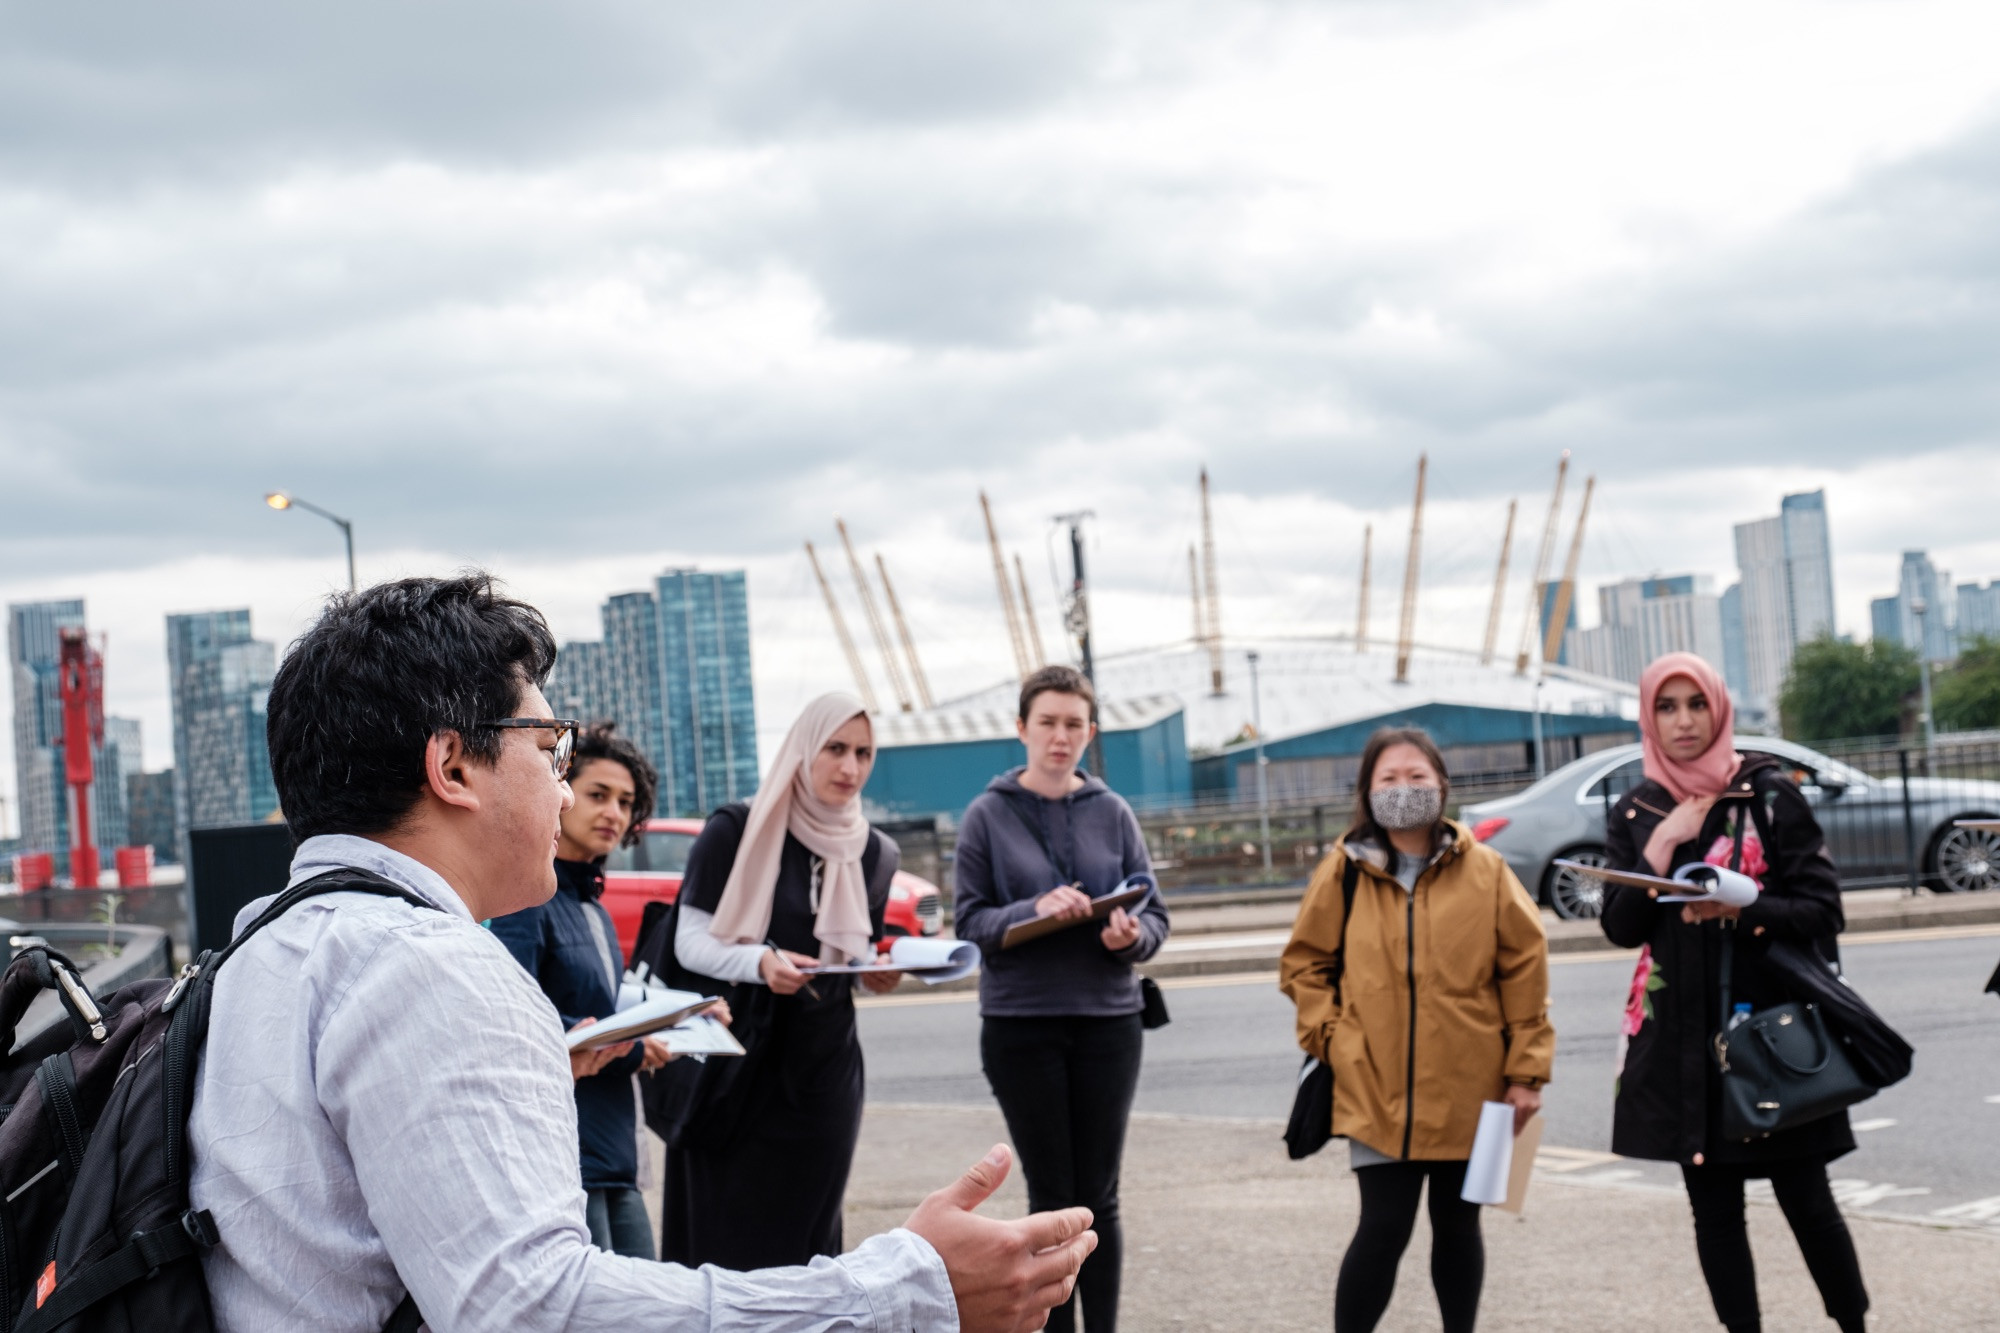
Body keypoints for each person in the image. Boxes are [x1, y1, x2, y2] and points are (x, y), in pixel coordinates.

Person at [189, 574, 1096, 1333]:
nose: (563, 781)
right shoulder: (428, 966)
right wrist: (905, 1290)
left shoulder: (255, 947)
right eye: (551, 748)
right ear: (453, 768)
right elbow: (535, 1307)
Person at [1600, 652, 1870, 1333]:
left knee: (1807, 1198)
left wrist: (1740, 909)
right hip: (1682, 1040)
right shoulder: (1639, 808)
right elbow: (1620, 924)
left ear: (1719, 709)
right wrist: (1660, 843)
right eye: (1667, 706)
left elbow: (1821, 910)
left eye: (1696, 704)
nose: (1683, 720)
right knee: (1714, 1211)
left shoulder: (1768, 793)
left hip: (1772, 1032)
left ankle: (1854, 1323)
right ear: (1649, 717)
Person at [1279, 726, 1553, 1333]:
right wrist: (1334, 1038)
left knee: (1460, 1226)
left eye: (1417, 777)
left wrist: (1526, 1073)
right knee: (1382, 1228)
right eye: (1389, 779)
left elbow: (1525, 971)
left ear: (1442, 785)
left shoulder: (1486, 870)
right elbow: (1304, 964)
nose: (1404, 788)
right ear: (1367, 791)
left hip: (1475, 1088)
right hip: (1374, 1087)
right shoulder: (1343, 871)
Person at [951, 665, 1172, 1333]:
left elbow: (1156, 917)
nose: (1060, 735)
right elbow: (969, 925)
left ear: (1090, 733)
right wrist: (1034, 908)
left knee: (1100, 1197)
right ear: (1022, 728)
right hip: (1022, 1025)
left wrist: (1129, 935)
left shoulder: (1113, 810)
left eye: (1074, 723)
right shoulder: (987, 814)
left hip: (1109, 1021)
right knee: (1052, 1197)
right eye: (1047, 721)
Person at [652, 692, 904, 1271]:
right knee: (723, 1237)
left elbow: (852, 954)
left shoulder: (876, 852)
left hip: (823, 1069)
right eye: (835, 749)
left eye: (864, 753)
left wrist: (877, 974)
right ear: (803, 747)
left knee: (807, 1240)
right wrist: (760, 963)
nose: (850, 768)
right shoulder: (736, 828)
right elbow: (689, 942)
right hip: (737, 1064)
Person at [491, 723, 673, 1260]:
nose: (614, 813)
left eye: (626, 801)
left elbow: (597, 1009)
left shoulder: (590, 905)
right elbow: (519, 1024)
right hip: (566, 1150)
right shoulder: (527, 899)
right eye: (598, 795)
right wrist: (635, 1047)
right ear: (560, 792)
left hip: (615, 1147)